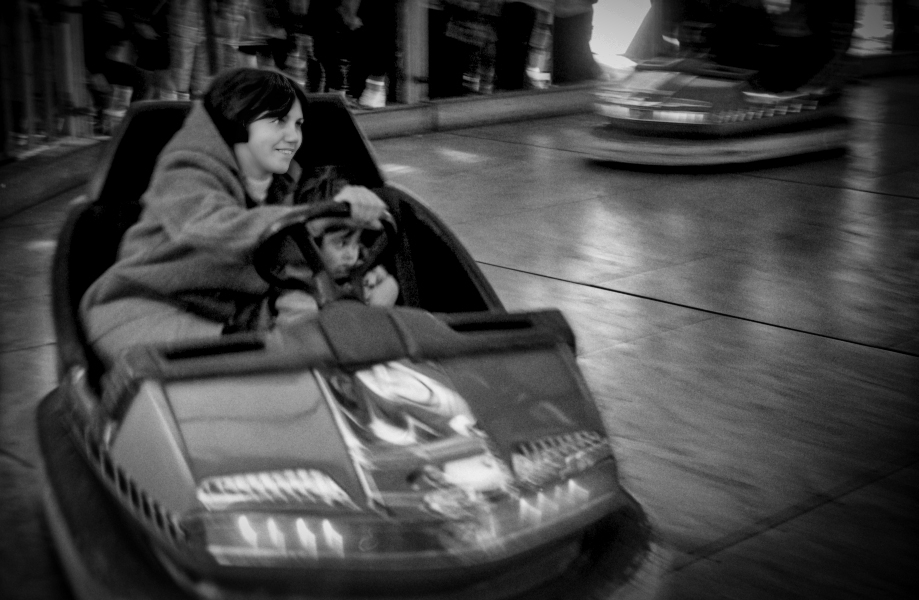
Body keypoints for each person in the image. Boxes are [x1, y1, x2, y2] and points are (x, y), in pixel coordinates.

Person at [80, 68, 391, 363]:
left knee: (348, 329)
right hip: (149, 308)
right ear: (239, 122)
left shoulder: (282, 184)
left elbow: (290, 250)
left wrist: (353, 270)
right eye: (278, 121)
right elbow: (214, 229)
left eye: (297, 124)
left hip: (232, 312)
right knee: (255, 369)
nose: (293, 136)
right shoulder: (184, 171)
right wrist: (314, 219)